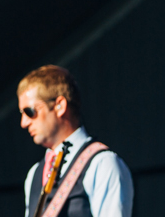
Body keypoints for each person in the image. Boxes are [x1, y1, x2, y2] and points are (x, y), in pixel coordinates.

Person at [17, 65, 133, 217]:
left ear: (60, 106)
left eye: (30, 111)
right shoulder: (34, 174)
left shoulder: (103, 164)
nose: (24, 123)